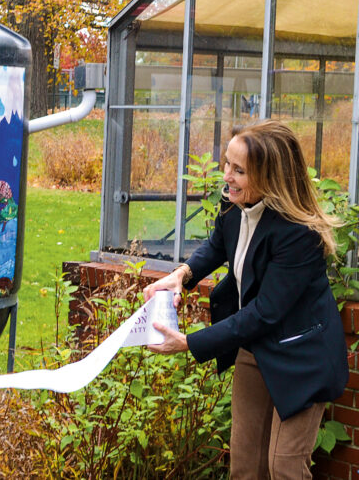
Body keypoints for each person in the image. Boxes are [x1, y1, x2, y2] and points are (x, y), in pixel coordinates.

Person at [145, 120, 347, 479]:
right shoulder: (233, 203)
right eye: (227, 164)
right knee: (244, 465)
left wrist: (189, 343)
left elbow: (264, 313)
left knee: (283, 466)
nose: (227, 176)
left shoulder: (298, 234)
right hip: (254, 350)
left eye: (239, 170)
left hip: (302, 355)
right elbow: (218, 245)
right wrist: (182, 275)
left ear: (271, 177)